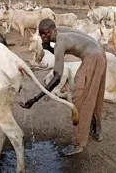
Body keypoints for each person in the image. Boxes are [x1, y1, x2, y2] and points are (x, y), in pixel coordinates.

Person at [19, 18, 107, 156]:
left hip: (93, 57)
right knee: (95, 93)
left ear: (53, 31)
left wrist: (36, 98)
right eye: (41, 34)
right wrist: (47, 46)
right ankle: (97, 130)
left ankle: (78, 143)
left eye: (46, 34)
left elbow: (57, 77)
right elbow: (64, 50)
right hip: (100, 52)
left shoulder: (60, 43)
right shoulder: (59, 31)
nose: (44, 37)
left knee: (81, 97)